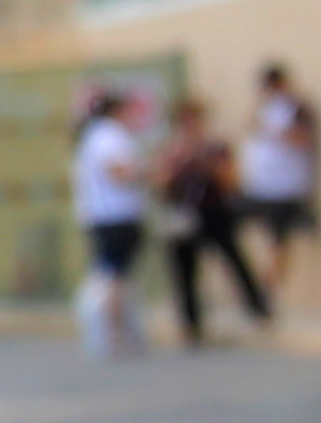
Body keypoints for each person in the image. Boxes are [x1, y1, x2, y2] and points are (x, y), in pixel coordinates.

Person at [152, 89, 271, 347]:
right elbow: (159, 182)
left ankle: (257, 309)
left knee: (235, 259)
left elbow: (232, 180)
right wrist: (176, 165)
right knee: (184, 270)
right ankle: (191, 323)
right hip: (183, 215)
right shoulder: (170, 150)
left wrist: (207, 164)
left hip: (214, 211)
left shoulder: (215, 147)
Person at [69, 82, 153, 357]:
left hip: (104, 215)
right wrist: (148, 173)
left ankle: (114, 330)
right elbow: (118, 171)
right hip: (115, 215)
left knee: (114, 274)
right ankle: (107, 331)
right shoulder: (109, 135)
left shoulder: (95, 136)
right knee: (111, 276)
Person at [237, 63, 320, 316]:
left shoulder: (297, 109)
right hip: (260, 186)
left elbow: (302, 139)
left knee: (278, 243)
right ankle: (258, 288)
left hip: (285, 189)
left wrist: (270, 129)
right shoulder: (264, 108)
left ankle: (267, 293)